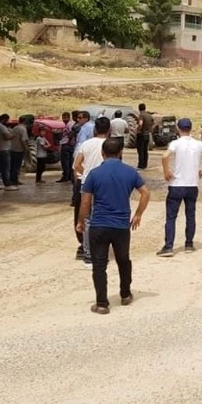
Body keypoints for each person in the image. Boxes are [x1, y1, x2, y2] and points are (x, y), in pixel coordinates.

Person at [77, 138, 150, 315]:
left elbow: (86, 202)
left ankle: (102, 303)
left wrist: (81, 221)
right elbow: (146, 193)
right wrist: (138, 214)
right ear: (121, 153)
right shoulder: (130, 172)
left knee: (99, 264)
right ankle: (125, 294)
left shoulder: (94, 174)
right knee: (123, 260)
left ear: (102, 154)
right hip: (121, 225)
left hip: (99, 225)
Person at [157, 117, 202, 257]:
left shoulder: (175, 143)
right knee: (190, 215)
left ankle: (168, 247)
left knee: (171, 216)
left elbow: (165, 156)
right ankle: (189, 244)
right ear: (190, 129)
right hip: (192, 184)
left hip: (177, 184)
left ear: (178, 129)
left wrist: (166, 171)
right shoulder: (198, 144)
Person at [74, 117, 112, 268]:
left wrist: (87, 175)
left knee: (87, 220)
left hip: (87, 186)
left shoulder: (86, 144)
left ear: (95, 129)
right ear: (109, 130)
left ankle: (88, 255)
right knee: (102, 218)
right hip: (105, 187)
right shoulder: (111, 145)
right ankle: (101, 254)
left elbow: (77, 165)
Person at [70, 111, 95, 258]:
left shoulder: (85, 133)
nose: (77, 120)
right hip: (99, 179)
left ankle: (83, 245)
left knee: (83, 211)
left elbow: (77, 159)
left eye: (79, 118)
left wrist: (80, 173)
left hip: (84, 178)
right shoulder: (108, 144)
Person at [8, 116, 30, 186]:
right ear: (25, 122)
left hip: (12, 149)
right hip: (19, 150)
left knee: (12, 165)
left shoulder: (15, 128)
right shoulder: (23, 129)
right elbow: (23, 140)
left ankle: (11, 179)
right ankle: (15, 180)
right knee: (17, 166)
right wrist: (26, 149)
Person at [58, 111, 75, 182]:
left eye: (65, 118)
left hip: (66, 144)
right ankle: (69, 176)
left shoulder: (69, 125)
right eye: (63, 118)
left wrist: (70, 140)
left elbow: (72, 133)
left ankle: (65, 176)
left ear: (69, 117)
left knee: (65, 162)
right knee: (70, 162)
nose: (63, 119)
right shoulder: (69, 124)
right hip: (68, 144)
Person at [136, 103, 154, 169]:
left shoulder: (141, 115)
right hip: (147, 134)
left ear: (139, 108)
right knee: (145, 150)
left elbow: (140, 123)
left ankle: (140, 165)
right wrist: (150, 129)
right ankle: (145, 164)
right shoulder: (149, 115)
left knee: (140, 150)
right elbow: (154, 123)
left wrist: (138, 130)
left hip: (142, 134)